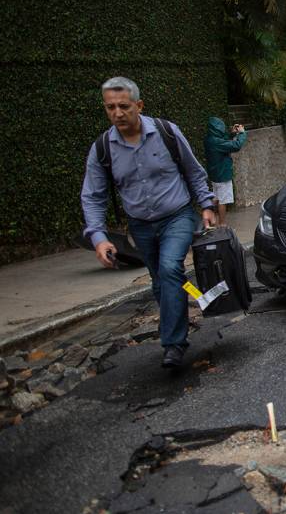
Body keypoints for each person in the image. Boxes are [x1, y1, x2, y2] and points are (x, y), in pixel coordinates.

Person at [81, 77, 217, 369]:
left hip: (177, 216)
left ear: (139, 105)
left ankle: (173, 344)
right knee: (160, 282)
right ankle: (184, 305)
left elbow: (193, 171)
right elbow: (93, 196)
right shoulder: (103, 147)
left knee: (170, 269)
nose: (117, 113)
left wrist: (206, 204)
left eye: (124, 106)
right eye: (110, 107)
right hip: (140, 225)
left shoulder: (167, 132)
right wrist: (99, 237)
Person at [204, 117, 248, 226]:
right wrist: (242, 134)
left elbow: (222, 141)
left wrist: (232, 134)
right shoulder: (217, 142)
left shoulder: (209, 139)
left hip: (214, 174)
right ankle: (222, 225)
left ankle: (211, 220)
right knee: (222, 201)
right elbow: (236, 146)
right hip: (222, 175)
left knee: (216, 198)